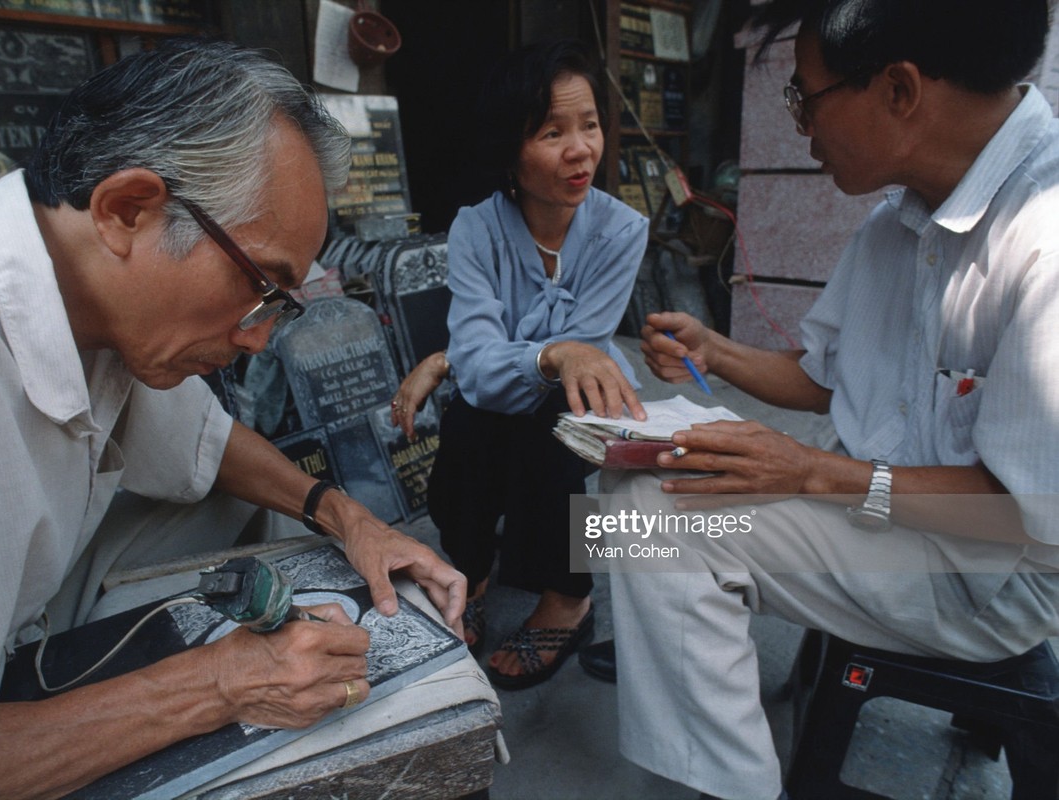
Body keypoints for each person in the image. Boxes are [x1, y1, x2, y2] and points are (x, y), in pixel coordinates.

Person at [0, 39, 466, 799]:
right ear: (127, 209)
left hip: (11, 629)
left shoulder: (75, 278)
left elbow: (202, 439)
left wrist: (345, 515)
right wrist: (216, 685)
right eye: (261, 285)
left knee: (253, 507)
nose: (260, 338)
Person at [585, 1, 1059, 797]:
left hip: (990, 574)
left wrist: (812, 473)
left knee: (646, 525)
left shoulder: (1042, 240)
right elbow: (830, 378)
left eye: (805, 97)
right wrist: (717, 352)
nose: (801, 125)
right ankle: (688, 684)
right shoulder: (896, 224)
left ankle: (715, 776)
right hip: (886, 514)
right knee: (628, 493)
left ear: (900, 89)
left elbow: (1024, 514)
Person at [389, 39, 649, 691]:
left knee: (556, 426)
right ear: (510, 146)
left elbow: (578, 351)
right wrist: (494, 358)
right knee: (473, 427)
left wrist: (463, 358)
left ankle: (568, 598)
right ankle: (472, 572)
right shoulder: (476, 228)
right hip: (507, 392)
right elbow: (493, 363)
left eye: (589, 124)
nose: (581, 148)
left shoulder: (622, 230)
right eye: (551, 131)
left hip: (581, 400)